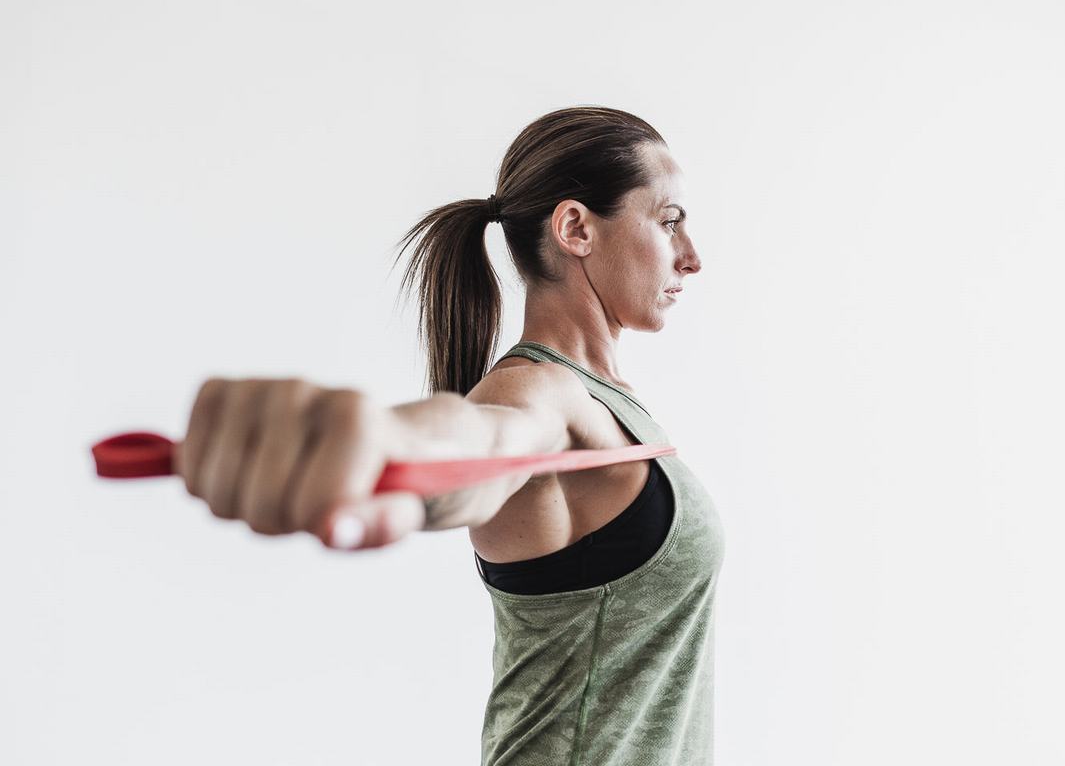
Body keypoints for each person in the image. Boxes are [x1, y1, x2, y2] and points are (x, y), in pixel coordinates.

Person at [172, 105, 725, 766]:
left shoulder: (613, 403)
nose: (690, 257)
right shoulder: (538, 392)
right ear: (577, 228)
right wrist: (380, 449)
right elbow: (484, 438)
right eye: (669, 222)